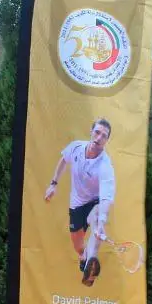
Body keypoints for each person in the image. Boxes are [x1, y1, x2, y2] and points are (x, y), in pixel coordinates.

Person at [44, 119, 115, 287]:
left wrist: (102, 221)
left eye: (104, 136)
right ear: (91, 131)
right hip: (77, 204)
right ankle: (83, 255)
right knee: (77, 244)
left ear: (106, 141)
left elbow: (106, 198)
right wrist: (53, 184)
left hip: (95, 201)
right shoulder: (76, 147)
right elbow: (63, 160)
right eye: (97, 132)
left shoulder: (105, 166)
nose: (99, 137)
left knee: (97, 221)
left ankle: (91, 262)